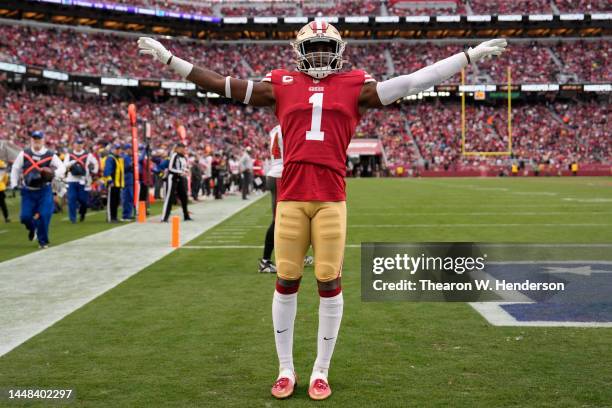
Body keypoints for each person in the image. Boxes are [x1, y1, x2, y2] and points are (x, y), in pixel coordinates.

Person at [139, 25, 506, 400]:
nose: (317, 55)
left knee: (329, 280)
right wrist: (170, 60)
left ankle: (320, 370)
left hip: (331, 198)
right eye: (311, 48)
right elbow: (223, 84)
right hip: (292, 198)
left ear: (338, 50)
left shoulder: (355, 84)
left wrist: (468, 56)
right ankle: (285, 368)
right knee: (286, 279)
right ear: (300, 50)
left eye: (324, 48)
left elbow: (412, 82)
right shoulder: (280, 83)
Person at [10, 131, 65, 248]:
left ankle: (43, 241)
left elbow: (62, 166)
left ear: (43, 140)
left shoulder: (50, 154)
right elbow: (15, 168)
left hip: (44, 190)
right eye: (34, 139)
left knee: (45, 215)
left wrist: (54, 173)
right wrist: (14, 183)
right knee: (24, 217)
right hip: (28, 190)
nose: (36, 141)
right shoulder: (24, 153)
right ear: (31, 140)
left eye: (38, 139)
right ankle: (32, 228)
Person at [63, 138, 99, 223]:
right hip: (71, 180)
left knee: (83, 200)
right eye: (77, 143)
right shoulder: (69, 155)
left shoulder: (88, 155)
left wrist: (94, 171)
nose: (79, 145)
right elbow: (64, 165)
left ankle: (82, 213)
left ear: (83, 145)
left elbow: (95, 162)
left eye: (80, 143)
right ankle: (73, 219)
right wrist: (68, 169)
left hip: (83, 180)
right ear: (74, 144)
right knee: (72, 199)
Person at [161, 142, 192, 222]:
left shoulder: (184, 158)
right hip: (173, 178)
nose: (184, 150)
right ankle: (164, 217)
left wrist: (186, 171)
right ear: (178, 148)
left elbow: (185, 167)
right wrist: (180, 172)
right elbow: (170, 168)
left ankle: (186, 215)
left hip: (181, 178)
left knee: (184, 197)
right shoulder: (174, 155)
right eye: (182, 148)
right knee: (169, 197)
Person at [103, 143, 124, 223]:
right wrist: (110, 181)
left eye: (119, 149)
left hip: (118, 183)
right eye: (116, 149)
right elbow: (107, 171)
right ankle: (110, 217)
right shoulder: (110, 158)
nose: (118, 151)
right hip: (112, 183)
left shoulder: (118, 158)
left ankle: (114, 217)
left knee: (116, 201)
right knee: (111, 201)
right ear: (112, 150)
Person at [121, 143, 135, 220]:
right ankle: (125, 215)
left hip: (130, 180)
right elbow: (123, 169)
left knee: (130, 198)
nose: (131, 150)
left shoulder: (129, 157)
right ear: (126, 149)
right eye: (130, 149)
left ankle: (129, 214)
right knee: (127, 198)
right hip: (126, 180)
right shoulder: (125, 157)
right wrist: (130, 165)